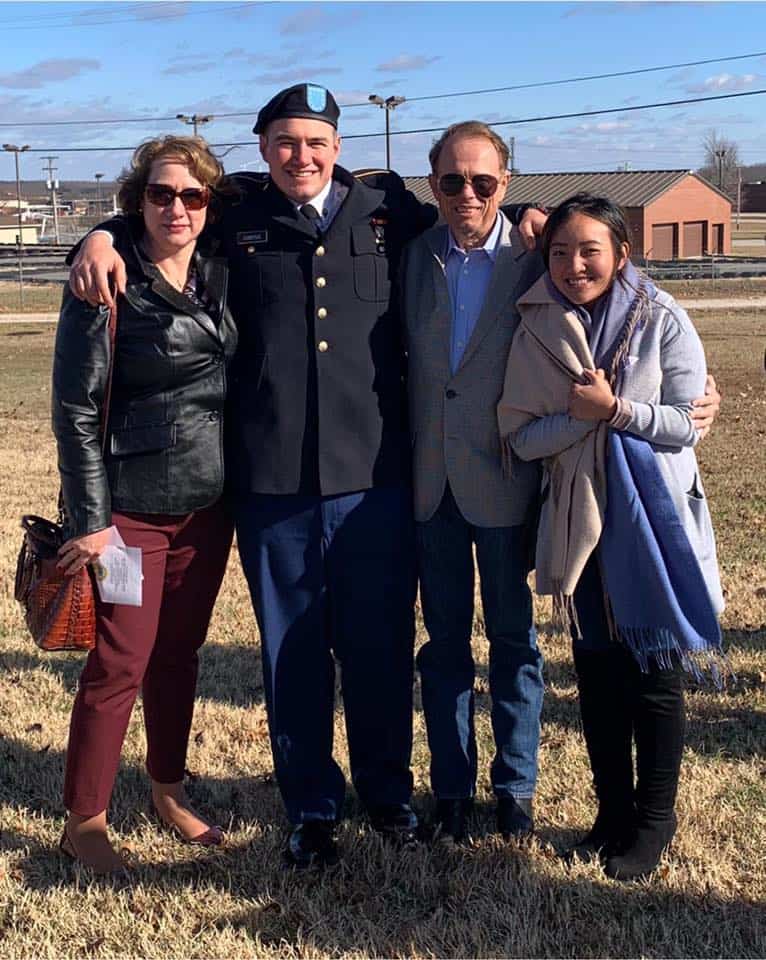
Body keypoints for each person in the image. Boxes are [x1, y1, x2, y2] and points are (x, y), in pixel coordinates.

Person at [498, 193, 725, 880]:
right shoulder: (535, 323)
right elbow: (522, 435)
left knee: (653, 677)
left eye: (590, 250)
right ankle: (610, 815)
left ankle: (654, 822)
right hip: (579, 520)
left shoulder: (663, 317)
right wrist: (584, 418)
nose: (574, 265)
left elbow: (689, 423)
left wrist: (616, 410)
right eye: (560, 252)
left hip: (651, 523)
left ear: (621, 253)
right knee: (597, 675)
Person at [52, 135, 238, 874]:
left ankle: (167, 787)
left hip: (208, 504)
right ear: (138, 199)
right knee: (120, 660)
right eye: (161, 194)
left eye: (193, 196)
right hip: (128, 512)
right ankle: (84, 818)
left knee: (178, 656)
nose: (177, 208)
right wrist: (92, 519)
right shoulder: (108, 279)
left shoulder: (221, 269)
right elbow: (75, 407)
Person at [399, 122, 547, 843]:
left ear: (506, 185)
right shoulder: (412, 255)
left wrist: (689, 382)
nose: (468, 194)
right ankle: (452, 791)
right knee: (445, 646)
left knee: (514, 646)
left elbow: (615, 276)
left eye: (483, 182)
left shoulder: (535, 256)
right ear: (433, 186)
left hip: (507, 483)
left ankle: (514, 789)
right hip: (433, 488)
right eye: (453, 181)